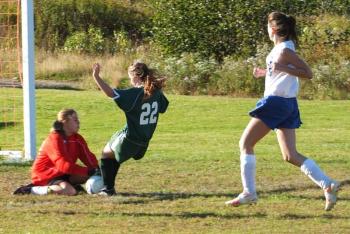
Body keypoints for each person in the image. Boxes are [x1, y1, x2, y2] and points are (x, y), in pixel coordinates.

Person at [225, 12, 339, 211]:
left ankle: (249, 192)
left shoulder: (285, 51)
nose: (266, 30)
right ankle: (327, 184)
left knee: (246, 143)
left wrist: (281, 68)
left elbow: (308, 73)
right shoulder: (280, 49)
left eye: (268, 27)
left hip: (276, 103)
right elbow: (281, 72)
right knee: (290, 155)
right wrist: (266, 72)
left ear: (274, 29)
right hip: (287, 104)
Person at [92, 61, 169, 196]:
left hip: (131, 139)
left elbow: (111, 93)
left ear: (136, 76)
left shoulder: (135, 93)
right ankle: (106, 184)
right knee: (113, 151)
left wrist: (96, 77)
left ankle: (107, 188)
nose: (130, 80)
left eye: (131, 77)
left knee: (106, 153)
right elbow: (163, 107)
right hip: (144, 142)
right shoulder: (155, 91)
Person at [13, 109, 100, 195]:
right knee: (69, 191)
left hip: (63, 173)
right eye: (75, 120)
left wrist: (97, 170)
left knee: (92, 175)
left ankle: (72, 185)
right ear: (65, 122)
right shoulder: (54, 139)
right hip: (46, 174)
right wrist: (88, 171)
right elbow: (63, 165)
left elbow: (88, 157)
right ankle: (30, 189)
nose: (78, 122)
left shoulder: (77, 138)